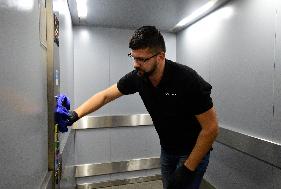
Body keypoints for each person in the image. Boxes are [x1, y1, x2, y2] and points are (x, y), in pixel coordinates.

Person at [56, 26, 219, 189]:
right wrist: (75, 114)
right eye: (133, 57)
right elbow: (105, 95)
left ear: (160, 56)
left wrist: (188, 169)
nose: (135, 64)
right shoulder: (139, 77)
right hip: (168, 150)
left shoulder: (187, 79)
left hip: (193, 151)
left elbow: (211, 128)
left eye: (142, 59)